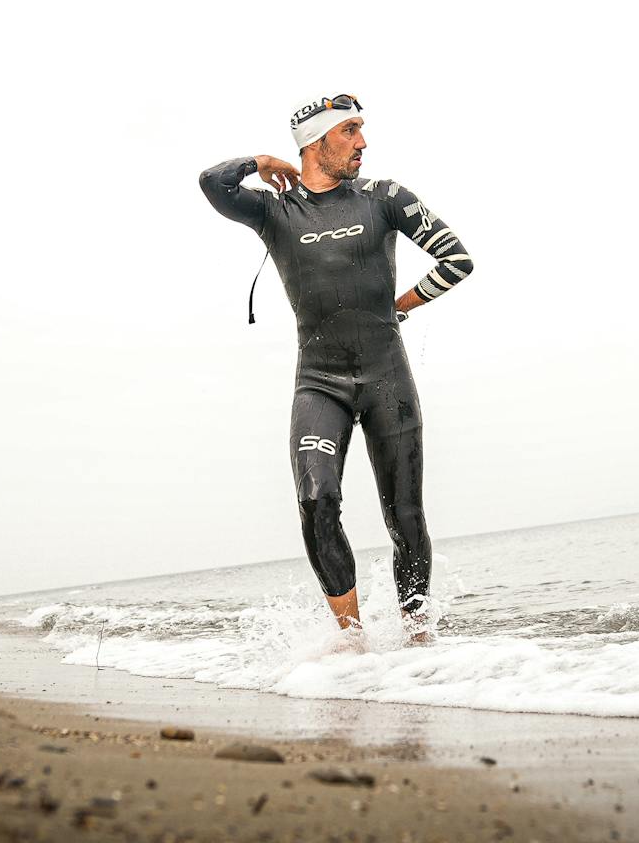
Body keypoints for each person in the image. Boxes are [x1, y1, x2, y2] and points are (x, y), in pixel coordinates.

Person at [198, 94, 474, 642]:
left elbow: (457, 260)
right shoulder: (274, 211)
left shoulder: (384, 198)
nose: (363, 143)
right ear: (315, 142)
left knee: (407, 519)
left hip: (386, 377)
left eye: (361, 131)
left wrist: (398, 307)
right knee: (315, 499)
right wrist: (264, 164)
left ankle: (420, 644)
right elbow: (212, 183)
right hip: (319, 382)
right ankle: (353, 645)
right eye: (350, 131)